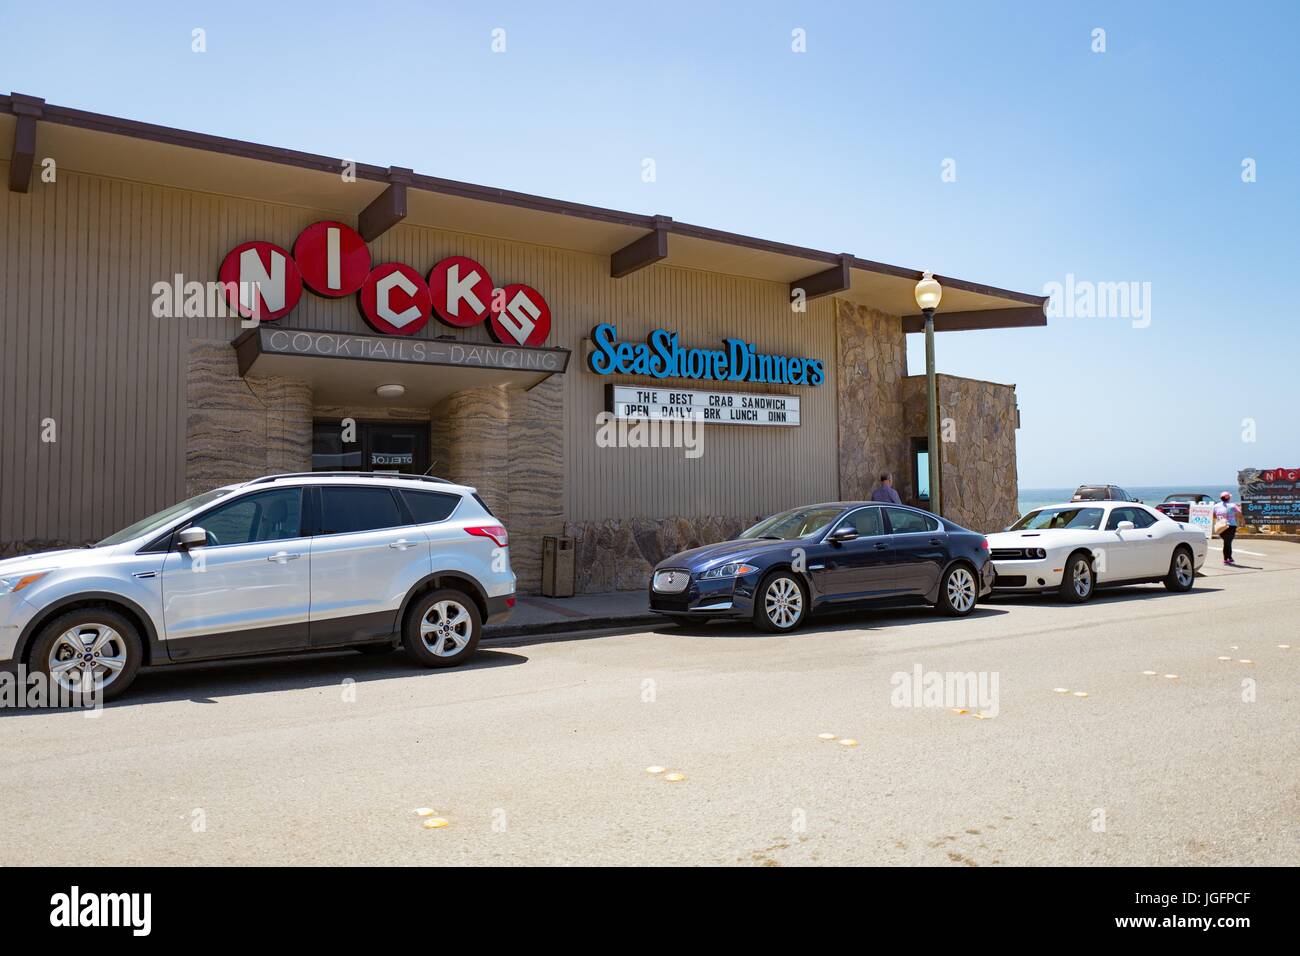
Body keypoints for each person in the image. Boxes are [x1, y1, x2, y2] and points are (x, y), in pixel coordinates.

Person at [1213, 491, 1243, 565]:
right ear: (1228, 498)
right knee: (1228, 542)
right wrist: (1240, 520)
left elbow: (1214, 515)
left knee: (1226, 542)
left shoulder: (1216, 506)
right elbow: (1240, 513)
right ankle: (1227, 558)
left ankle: (1228, 558)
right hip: (1231, 526)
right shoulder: (1233, 505)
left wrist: (1221, 518)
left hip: (1220, 526)